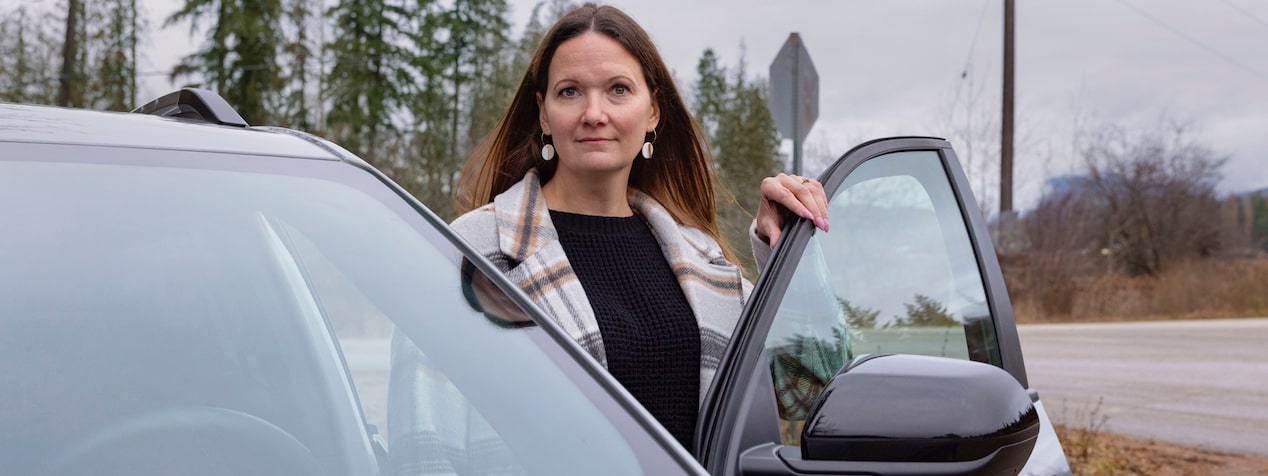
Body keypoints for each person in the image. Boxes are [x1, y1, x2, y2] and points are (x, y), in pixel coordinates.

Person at [450, 3, 829, 449]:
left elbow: (807, 390)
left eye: (618, 89)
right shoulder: (472, 249)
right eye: (570, 91)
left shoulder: (704, 263)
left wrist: (785, 248)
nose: (594, 113)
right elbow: (428, 443)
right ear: (543, 113)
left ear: (652, 112)